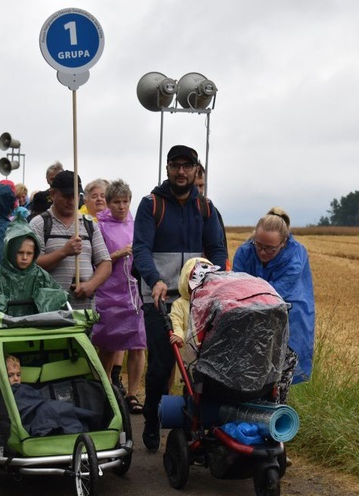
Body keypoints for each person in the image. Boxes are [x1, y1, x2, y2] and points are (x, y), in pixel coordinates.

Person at [133, 145, 227, 451]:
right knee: (161, 364)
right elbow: (141, 249)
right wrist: (155, 280)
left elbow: (217, 250)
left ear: (197, 171)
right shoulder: (151, 205)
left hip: (197, 299)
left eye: (188, 167)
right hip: (159, 297)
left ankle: (197, 420)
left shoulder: (207, 208)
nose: (182, 172)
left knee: (202, 362)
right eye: (176, 166)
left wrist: (215, 283)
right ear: (167, 169)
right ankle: (151, 418)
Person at [232, 207, 315, 404]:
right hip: (250, 318)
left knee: (277, 383)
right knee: (248, 380)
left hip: (289, 321)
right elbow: (235, 286)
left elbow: (273, 294)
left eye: (270, 249)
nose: (262, 252)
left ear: (283, 243)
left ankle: (273, 425)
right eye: (258, 245)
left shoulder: (296, 256)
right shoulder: (245, 252)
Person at [92, 180, 146, 413]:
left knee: (138, 344)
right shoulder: (99, 226)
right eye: (117, 202)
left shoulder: (138, 225)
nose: (122, 206)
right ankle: (105, 391)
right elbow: (97, 259)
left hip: (134, 293)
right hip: (109, 293)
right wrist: (118, 254)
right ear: (109, 203)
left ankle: (133, 394)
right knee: (108, 344)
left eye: (125, 201)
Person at [30, 170, 111, 311]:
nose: (72, 200)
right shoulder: (39, 224)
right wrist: (63, 252)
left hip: (84, 310)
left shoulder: (89, 224)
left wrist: (91, 285)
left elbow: (105, 262)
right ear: (53, 194)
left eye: (75, 195)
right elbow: (32, 265)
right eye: (66, 196)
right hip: (49, 311)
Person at [0, 215, 68, 317]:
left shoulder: (41, 276)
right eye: (20, 252)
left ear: (35, 253)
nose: (25, 258)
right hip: (1, 330)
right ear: (10, 251)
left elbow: (59, 297)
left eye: (29, 253)